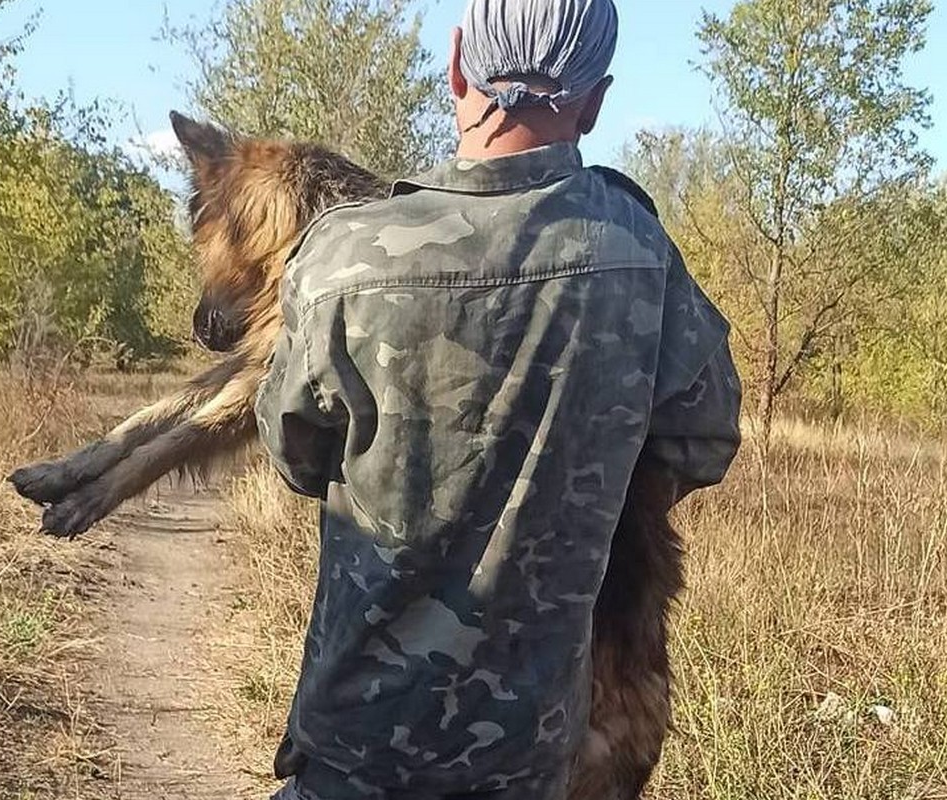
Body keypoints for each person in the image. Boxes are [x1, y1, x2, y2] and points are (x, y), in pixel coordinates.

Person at [255, 1, 742, 798]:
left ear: (455, 66)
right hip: (529, 760)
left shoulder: (340, 259)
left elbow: (295, 455)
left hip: (351, 754)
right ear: (594, 101)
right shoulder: (642, 260)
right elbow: (704, 440)